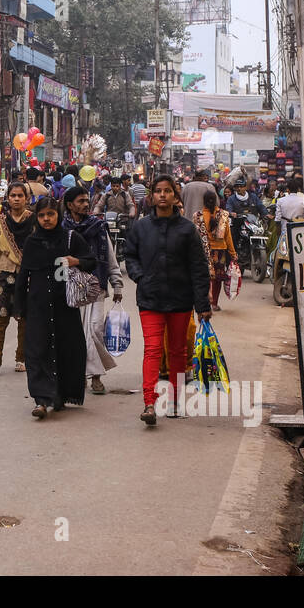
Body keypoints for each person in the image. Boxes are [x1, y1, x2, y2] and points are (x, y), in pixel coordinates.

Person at [124, 175, 212, 426]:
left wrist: (202, 305)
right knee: (152, 350)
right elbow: (130, 256)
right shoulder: (140, 228)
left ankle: (174, 400)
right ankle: (149, 403)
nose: (162, 195)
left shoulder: (187, 230)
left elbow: (198, 268)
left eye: (168, 191)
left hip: (180, 300)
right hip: (150, 299)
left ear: (176, 196)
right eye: (158, 191)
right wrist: (140, 276)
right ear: (151, 196)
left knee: (177, 352)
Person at [15, 196, 95, 419]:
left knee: (65, 349)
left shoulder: (70, 238)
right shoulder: (32, 242)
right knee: (36, 351)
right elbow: (24, 275)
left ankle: (59, 394)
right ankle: (41, 399)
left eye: (50, 214)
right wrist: (19, 307)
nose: (46, 219)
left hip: (64, 306)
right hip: (38, 305)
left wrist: (75, 261)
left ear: (58, 215)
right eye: (41, 215)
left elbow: (91, 260)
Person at [62, 185, 124, 395]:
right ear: (70, 205)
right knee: (76, 334)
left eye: (86, 200)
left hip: (95, 285)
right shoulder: (61, 229)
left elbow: (109, 257)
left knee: (95, 329)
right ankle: (80, 375)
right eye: (80, 201)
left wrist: (116, 283)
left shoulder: (97, 227)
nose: (86, 204)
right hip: (70, 288)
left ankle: (96, 375)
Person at [0, 181, 35, 376]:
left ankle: (21, 358)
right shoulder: (0, 222)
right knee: (0, 318)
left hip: (26, 275)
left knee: (24, 318)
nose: (16, 199)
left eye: (20, 196)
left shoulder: (34, 220)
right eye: (13, 195)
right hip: (4, 275)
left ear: (26, 198)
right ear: (8, 198)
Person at [194, 191, 237, 311]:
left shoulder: (197, 216)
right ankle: (214, 303)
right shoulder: (224, 215)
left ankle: (205, 301)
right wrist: (233, 253)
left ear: (204, 201)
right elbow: (228, 236)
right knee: (217, 279)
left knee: (205, 277)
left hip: (203, 251)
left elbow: (194, 236)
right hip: (220, 252)